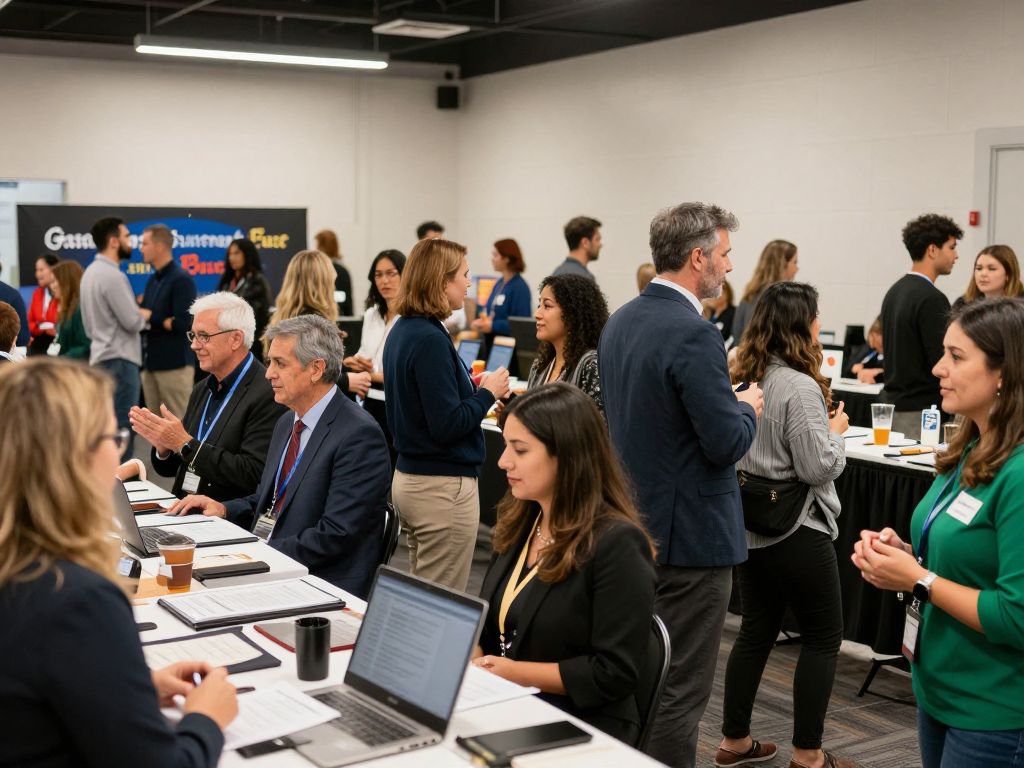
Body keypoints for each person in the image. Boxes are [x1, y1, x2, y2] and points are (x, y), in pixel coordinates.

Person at [0, 358, 238, 767]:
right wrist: (206, 718)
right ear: (76, 457)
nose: (120, 451)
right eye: (113, 438)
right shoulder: (77, 598)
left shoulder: (20, 566)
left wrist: (122, 688)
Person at [599, 202, 763, 768]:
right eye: (725, 255)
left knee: (635, 678)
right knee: (679, 689)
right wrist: (747, 409)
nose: (729, 267)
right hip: (690, 540)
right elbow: (725, 442)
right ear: (698, 257)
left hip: (630, 523)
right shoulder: (694, 333)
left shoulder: (621, 320)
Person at [852, 298, 1024, 768]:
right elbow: (971, 556)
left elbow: (1016, 615)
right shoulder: (971, 447)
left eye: (956, 356)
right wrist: (905, 554)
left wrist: (918, 578)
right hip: (939, 689)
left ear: (1004, 372)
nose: (937, 368)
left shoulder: (1018, 473)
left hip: (994, 710)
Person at [473, 383, 657, 743]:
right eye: (506, 445)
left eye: (519, 449)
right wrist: (476, 653)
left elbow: (614, 672)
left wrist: (513, 674)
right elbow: (492, 623)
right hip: (509, 702)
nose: (503, 461)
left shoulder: (617, 544)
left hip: (580, 722)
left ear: (567, 455)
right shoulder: (521, 522)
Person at [718, 282, 851, 768]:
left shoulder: (741, 375)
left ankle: (734, 741)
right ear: (801, 325)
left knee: (755, 631)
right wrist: (836, 435)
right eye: (816, 317)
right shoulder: (799, 385)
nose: (820, 325)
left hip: (751, 528)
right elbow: (818, 468)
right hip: (798, 530)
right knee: (823, 638)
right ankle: (808, 755)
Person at [168, 315, 390, 598]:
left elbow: (336, 535)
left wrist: (257, 553)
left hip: (319, 584)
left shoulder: (358, 435)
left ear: (316, 369)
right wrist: (224, 509)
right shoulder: (287, 422)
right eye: (270, 362)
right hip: (276, 565)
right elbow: (269, 500)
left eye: (280, 364)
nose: (268, 373)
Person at [384, 238, 511, 591]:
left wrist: (469, 386)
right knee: (440, 601)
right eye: (464, 275)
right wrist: (487, 393)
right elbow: (447, 424)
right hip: (440, 488)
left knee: (421, 593)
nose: (469, 283)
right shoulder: (429, 337)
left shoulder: (405, 329)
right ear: (442, 280)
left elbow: (424, 401)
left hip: (412, 479)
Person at [131, 292, 286, 502]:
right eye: (193, 335)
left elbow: (253, 474)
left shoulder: (268, 393)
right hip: (183, 509)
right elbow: (173, 467)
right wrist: (164, 447)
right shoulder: (202, 388)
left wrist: (185, 444)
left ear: (235, 339)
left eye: (204, 336)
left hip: (225, 516)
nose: (194, 345)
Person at [881, 213, 962, 439]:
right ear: (932, 250)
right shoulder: (931, 298)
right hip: (922, 413)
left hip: (894, 407)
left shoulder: (894, 291)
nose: (956, 255)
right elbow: (940, 358)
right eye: (952, 247)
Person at [80, 216, 148, 458]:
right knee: (122, 429)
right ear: (113, 242)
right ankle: (123, 480)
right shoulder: (113, 276)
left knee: (106, 429)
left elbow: (88, 326)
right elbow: (132, 321)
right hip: (120, 360)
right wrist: (144, 315)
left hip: (101, 357)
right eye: (126, 236)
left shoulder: (90, 273)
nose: (131, 241)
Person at [269, 249, 371, 399]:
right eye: (332, 281)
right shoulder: (314, 324)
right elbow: (309, 373)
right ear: (323, 283)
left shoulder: (282, 319)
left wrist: (342, 365)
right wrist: (346, 381)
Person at [139, 224, 197, 419]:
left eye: (145, 244)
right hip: (150, 364)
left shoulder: (182, 280)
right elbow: (147, 316)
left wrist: (151, 316)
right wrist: (162, 320)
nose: (141, 249)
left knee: (178, 423)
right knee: (153, 426)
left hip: (174, 366)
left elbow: (182, 323)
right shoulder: (152, 280)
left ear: (159, 246)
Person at [527, 274, 607, 411]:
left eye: (547, 306)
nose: (537, 314)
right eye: (539, 304)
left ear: (572, 314)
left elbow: (596, 422)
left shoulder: (591, 365)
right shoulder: (539, 366)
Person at [343, 249, 405, 385]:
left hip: (392, 393)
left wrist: (369, 375)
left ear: (405, 275)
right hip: (367, 391)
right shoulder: (371, 315)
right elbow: (364, 354)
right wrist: (354, 362)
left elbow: (406, 376)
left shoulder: (411, 319)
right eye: (378, 275)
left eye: (391, 273)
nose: (384, 281)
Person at [216, 238, 274, 362]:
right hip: (227, 342)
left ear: (247, 254)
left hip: (251, 345)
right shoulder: (226, 281)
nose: (232, 258)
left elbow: (256, 316)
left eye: (236, 253)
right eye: (230, 254)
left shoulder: (257, 281)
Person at [731, 239, 799, 345]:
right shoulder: (780, 298)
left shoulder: (749, 294)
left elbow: (737, 336)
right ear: (782, 264)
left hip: (745, 354)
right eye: (794, 262)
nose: (797, 268)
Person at [471, 239, 532, 341]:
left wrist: (493, 325)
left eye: (495, 255)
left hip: (507, 346)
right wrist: (482, 322)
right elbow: (490, 313)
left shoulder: (520, 287)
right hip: (490, 341)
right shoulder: (499, 283)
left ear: (507, 258)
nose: (492, 259)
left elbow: (521, 324)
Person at [952, 244, 1023, 312]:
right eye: (979, 268)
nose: (983, 274)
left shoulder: (1020, 306)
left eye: (992, 269)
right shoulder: (963, 304)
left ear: (1008, 275)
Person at [50, 260, 90, 359]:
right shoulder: (68, 308)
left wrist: (62, 360)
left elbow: (86, 346)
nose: (52, 286)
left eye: (54, 281)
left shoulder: (81, 308)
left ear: (67, 281)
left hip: (78, 366)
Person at [315, 228, 354, 317]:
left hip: (332, 319)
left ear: (322, 247)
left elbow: (346, 301)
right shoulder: (343, 271)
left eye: (317, 246)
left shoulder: (341, 272)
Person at [26, 253, 59, 356]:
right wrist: (41, 328)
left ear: (53, 270)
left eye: (41, 270)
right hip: (38, 340)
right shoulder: (37, 293)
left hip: (58, 340)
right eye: (37, 270)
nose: (37, 274)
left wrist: (52, 328)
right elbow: (29, 322)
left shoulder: (63, 293)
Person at [552, 216, 601, 281]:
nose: (600, 245)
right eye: (597, 239)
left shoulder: (557, 272)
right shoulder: (583, 278)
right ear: (585, 243)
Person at [843, 316, 884, 383]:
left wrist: (879, 373)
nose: (872, 345)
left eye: (873, 339)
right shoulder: (869, 350)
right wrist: (864, 366)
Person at [703, 279, 736, 345]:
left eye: (713, 292)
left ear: (725, 294)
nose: (709, 296)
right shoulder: (710, 314)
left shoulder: (734, 314)